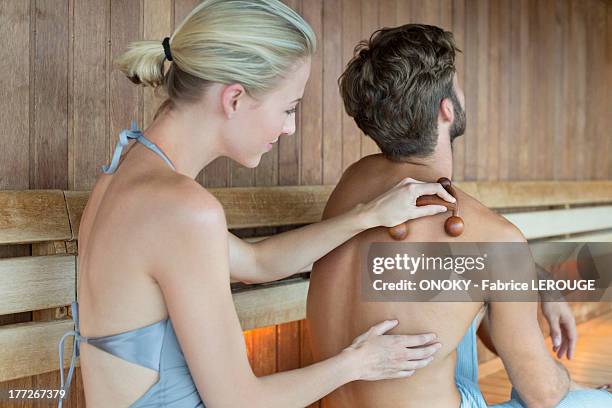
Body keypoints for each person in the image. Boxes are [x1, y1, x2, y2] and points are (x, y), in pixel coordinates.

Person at [55, 2, 460, 407]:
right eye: (288, 108)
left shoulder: (122, 175)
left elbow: (256, 263)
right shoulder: (181, 209)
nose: (290, 127)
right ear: (234, 99)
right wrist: (357, 363)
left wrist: (368, 215)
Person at [307, 24, 612, 408]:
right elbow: (543, 396)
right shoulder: (491, 236)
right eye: (457, 85)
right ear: (446, 109)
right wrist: (582, 391)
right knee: (580, 398)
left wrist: (537, 281)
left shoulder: (352, 182)